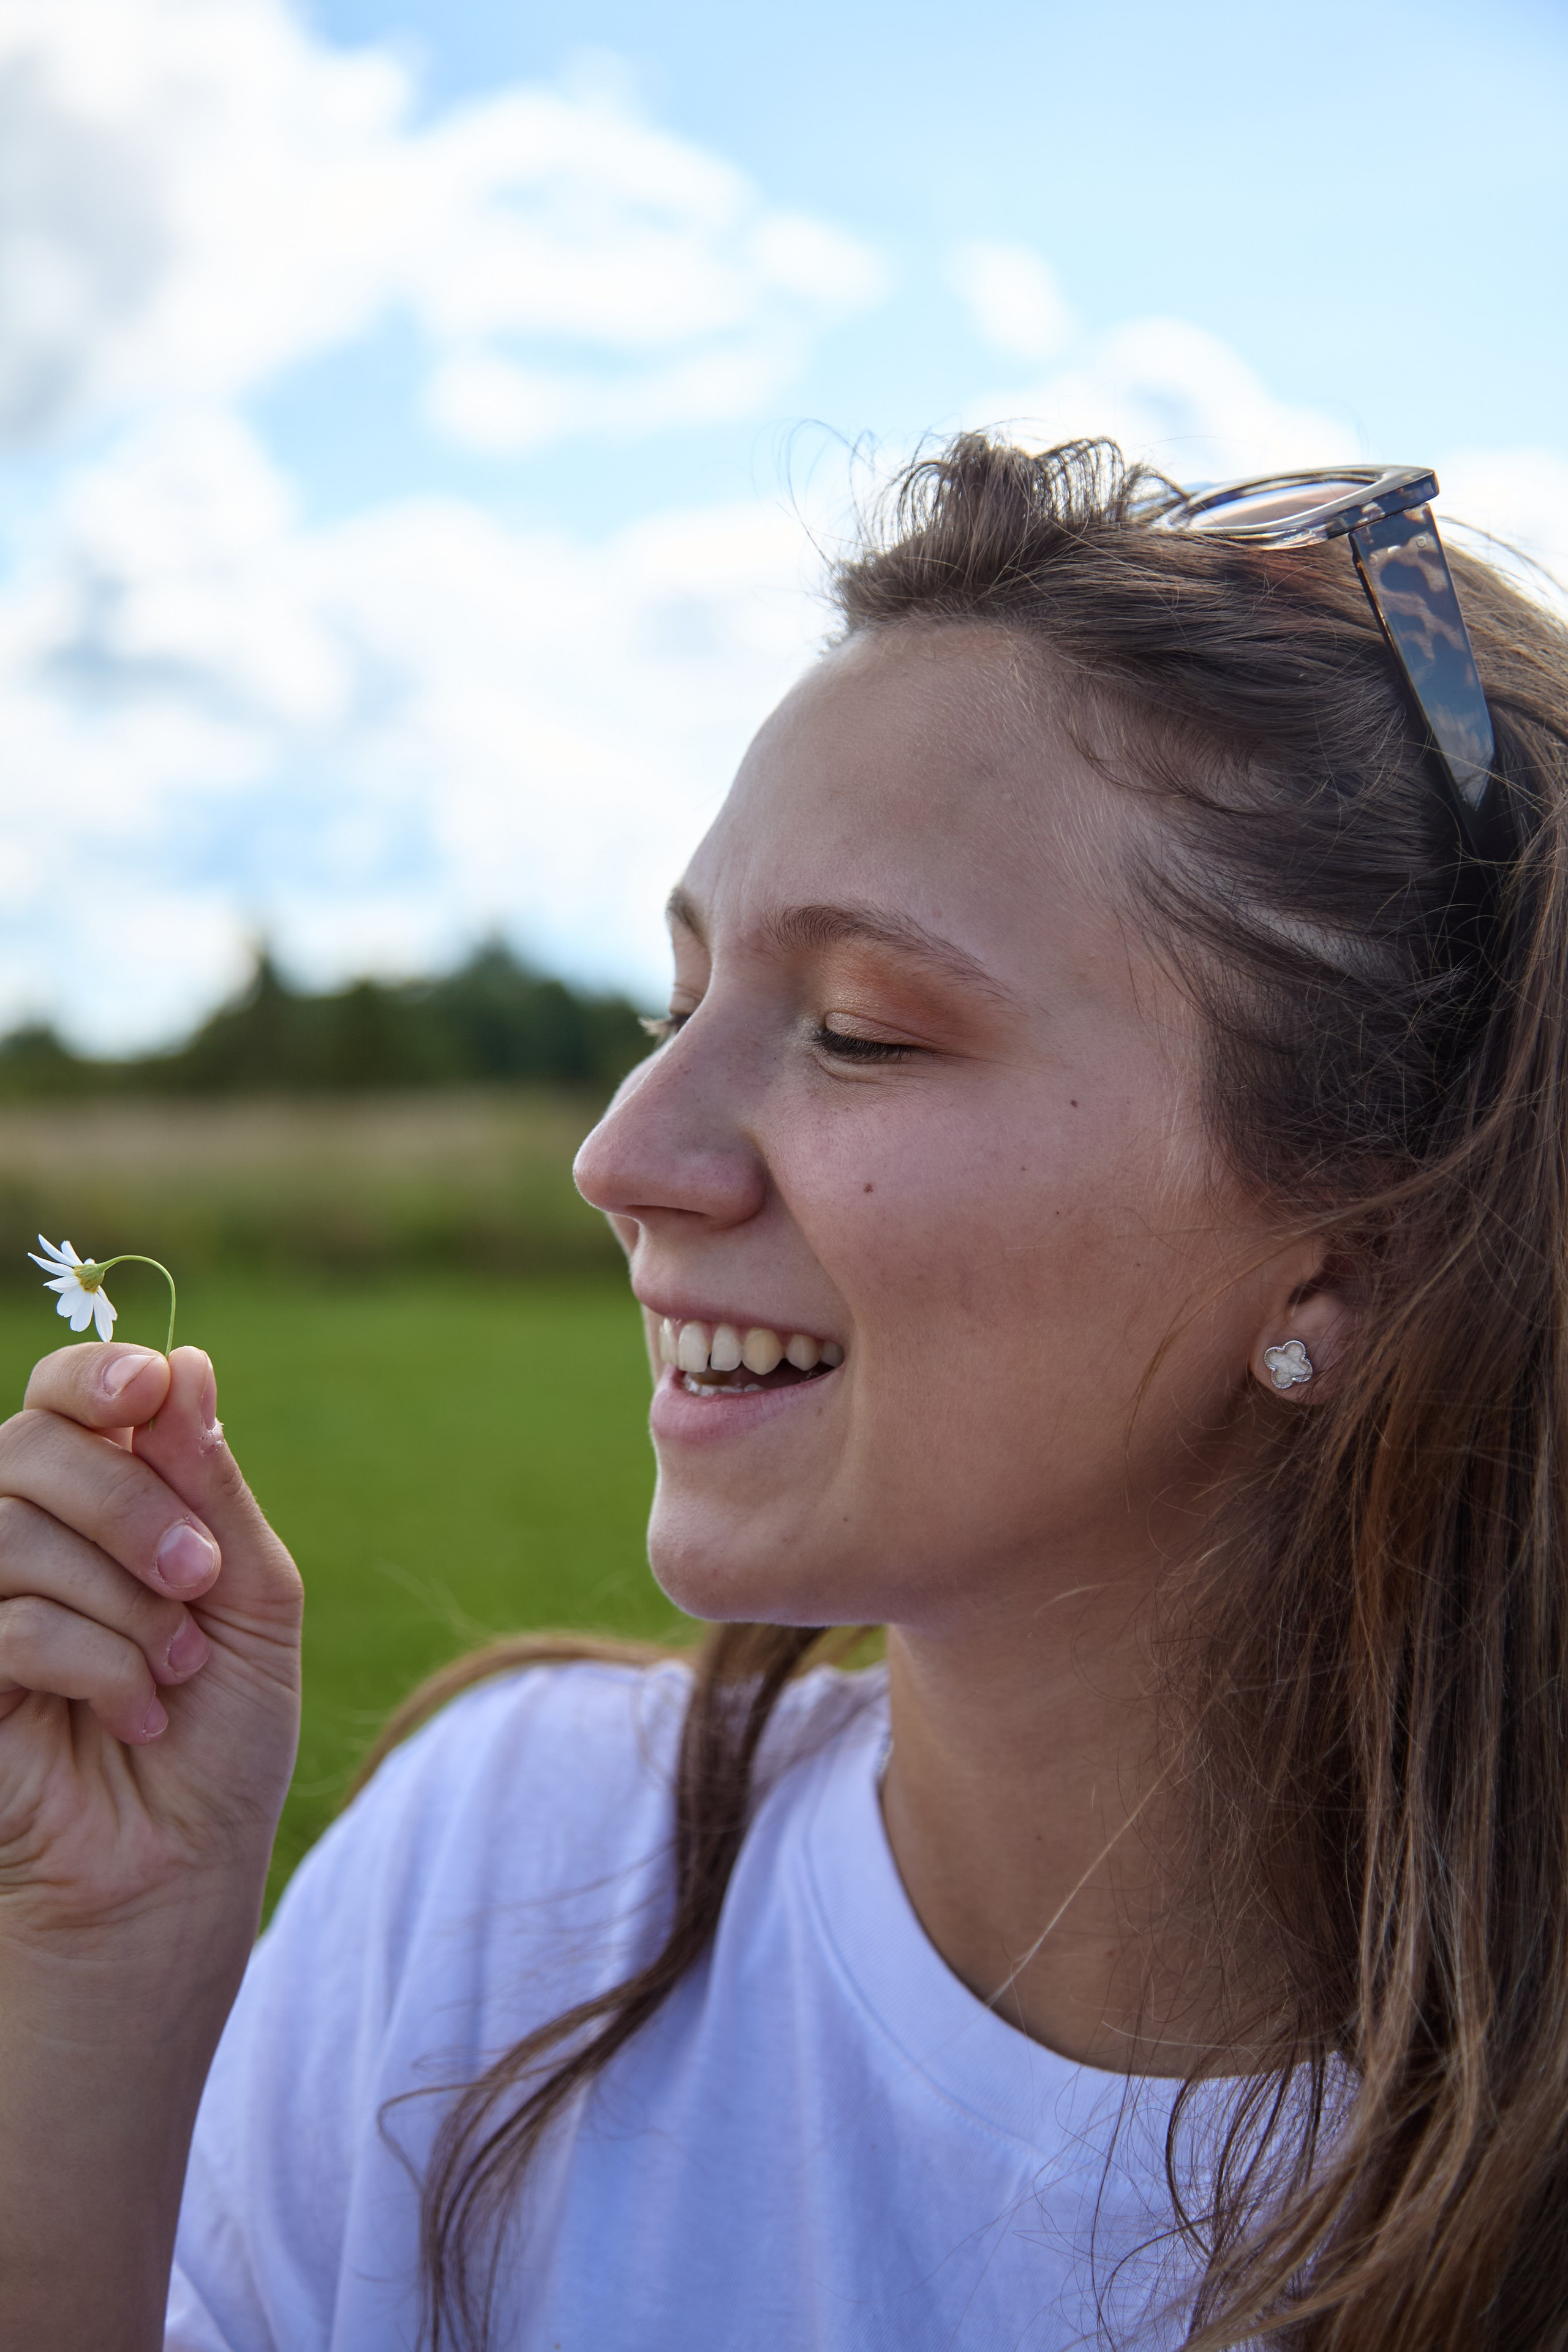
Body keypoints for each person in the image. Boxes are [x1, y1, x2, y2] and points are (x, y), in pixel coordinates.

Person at [2, 435, 1567, 2352]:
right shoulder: (495, 1889)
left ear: (1356, 1246)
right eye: (677, 1009)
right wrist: (97, 1992)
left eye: (859, 1034)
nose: (622, 1154)